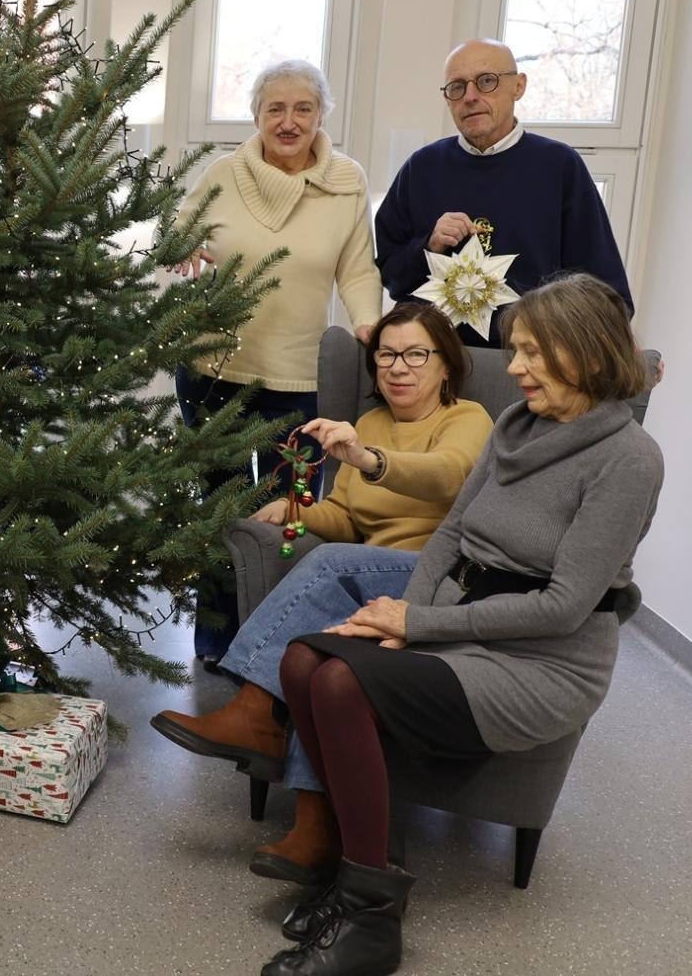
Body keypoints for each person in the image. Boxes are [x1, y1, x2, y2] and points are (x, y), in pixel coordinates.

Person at [257, 273, 662, 976]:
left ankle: (372, 923)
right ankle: (364, 871)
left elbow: (564, 605)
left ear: (586, 351)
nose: (514, 368)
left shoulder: (628, 458)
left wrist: (420, 624)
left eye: (533, 353)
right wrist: (406, 614)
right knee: (301, 663)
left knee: (344, 685)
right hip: (460, 624)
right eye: (517, 350)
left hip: (543, 662)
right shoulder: (516, 425)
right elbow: (450, 534)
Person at [152, 303, 492, 883]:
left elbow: (448, 473)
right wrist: (293, 512)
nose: (398, 368)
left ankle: (254, 709)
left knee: (333, 565)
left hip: (437, 577)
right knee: (325, 660)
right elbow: (345, 515)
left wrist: (366, 457)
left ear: (445, 366)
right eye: (386, 355)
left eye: (415, 355)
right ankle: (314, 826)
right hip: (370, 569)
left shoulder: (469, 418)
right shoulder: (375, 421)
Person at [170, 59, 383, 663]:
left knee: (293, 513)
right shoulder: (223, 173)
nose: (289, 122)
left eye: (303, 109)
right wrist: (185, 249)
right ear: (258, 115)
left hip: (302, 381)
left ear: (321, 115)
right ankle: (217, 643)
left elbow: (358, 268)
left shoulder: (346, 180)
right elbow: (177, 233)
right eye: (275, 109)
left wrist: (369, 326)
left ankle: (275, 648)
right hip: (216, 371)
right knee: (222, 509)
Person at [375, 38, 632, 347]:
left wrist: (621, 344)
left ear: (518, 86)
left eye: (487, 81)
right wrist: (428, 246)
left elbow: (598, 284)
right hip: (438, 362)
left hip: (531, 359)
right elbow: (391, 275)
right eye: (457, 87)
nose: (470, 97)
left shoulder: (559, 166)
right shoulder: (422, 168)